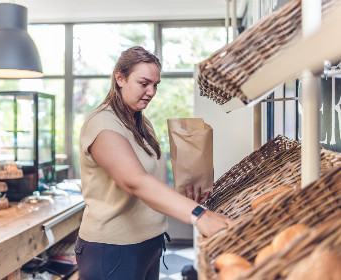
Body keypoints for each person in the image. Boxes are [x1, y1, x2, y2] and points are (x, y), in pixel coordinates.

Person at [75, 46, 232, 280]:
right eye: (144, 83)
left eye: (155, 85)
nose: (151, 91)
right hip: (112, 250)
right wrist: (198, 214)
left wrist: (183, 198)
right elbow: (135, 182)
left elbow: (150, 181)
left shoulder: (141, 123)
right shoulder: (103, 125)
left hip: (149, 244)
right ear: (120, 78)